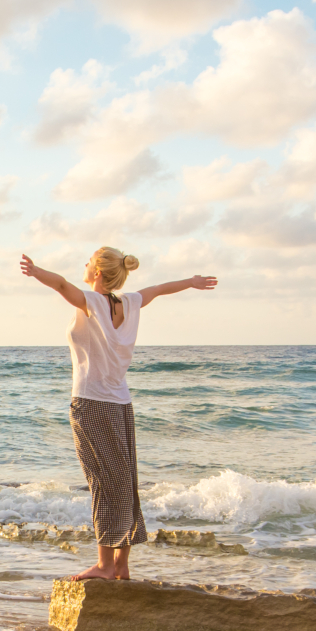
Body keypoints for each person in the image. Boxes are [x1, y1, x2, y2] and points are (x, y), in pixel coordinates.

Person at [20, 248, 217, 581]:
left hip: (91, 404)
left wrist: (37, 271)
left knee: (103, 484)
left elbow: (62, 285)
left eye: (88, 262)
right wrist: (192, 282)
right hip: (121, 405)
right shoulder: (131, 302)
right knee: (125, 482)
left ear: (97, 272)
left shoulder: (92, 302)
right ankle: (121, 565)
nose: (84, 266)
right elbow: (160, 288)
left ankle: (104, 565)